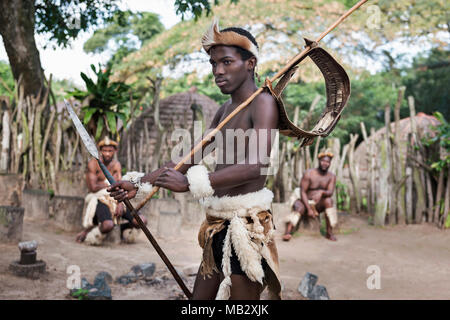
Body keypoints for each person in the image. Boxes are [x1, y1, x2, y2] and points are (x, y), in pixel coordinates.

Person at [107, 20, 282, 300]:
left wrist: (190, 183)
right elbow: (184, 161)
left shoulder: (263, 103)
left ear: (250, 63)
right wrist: (138, 182)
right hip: (218, 223)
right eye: (213, 64)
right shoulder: (224, 109)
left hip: (246, 225)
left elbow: (255, 165)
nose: (218, 71)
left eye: (226, 62)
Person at [75, 137, 147, 245]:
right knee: (108, 225)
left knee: (141, 220)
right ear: (100, 151)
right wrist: (108, 185)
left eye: (110, 151)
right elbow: (93, 187)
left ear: (115, 151)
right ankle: (90, 233)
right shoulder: (93, 164)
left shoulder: (116, 165)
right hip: (100, 198)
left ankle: (122, 228)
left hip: (115, 197)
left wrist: (119, 203)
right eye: (105, 150)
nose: (107, 154)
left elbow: (119, 185)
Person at [282, 151, 338, 241]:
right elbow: (302, 192)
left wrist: (321, 192)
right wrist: (308, 209)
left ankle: (329, 232)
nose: (325, 163)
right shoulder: (309, 173)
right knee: (299, 207)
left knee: (329, 201)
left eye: (327, 162)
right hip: (304, 201)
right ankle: (288, 232)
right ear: (319, 161)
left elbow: (330, 192)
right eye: (323, 161)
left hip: (318, 204)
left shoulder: (331, 176)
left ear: (330, 163)